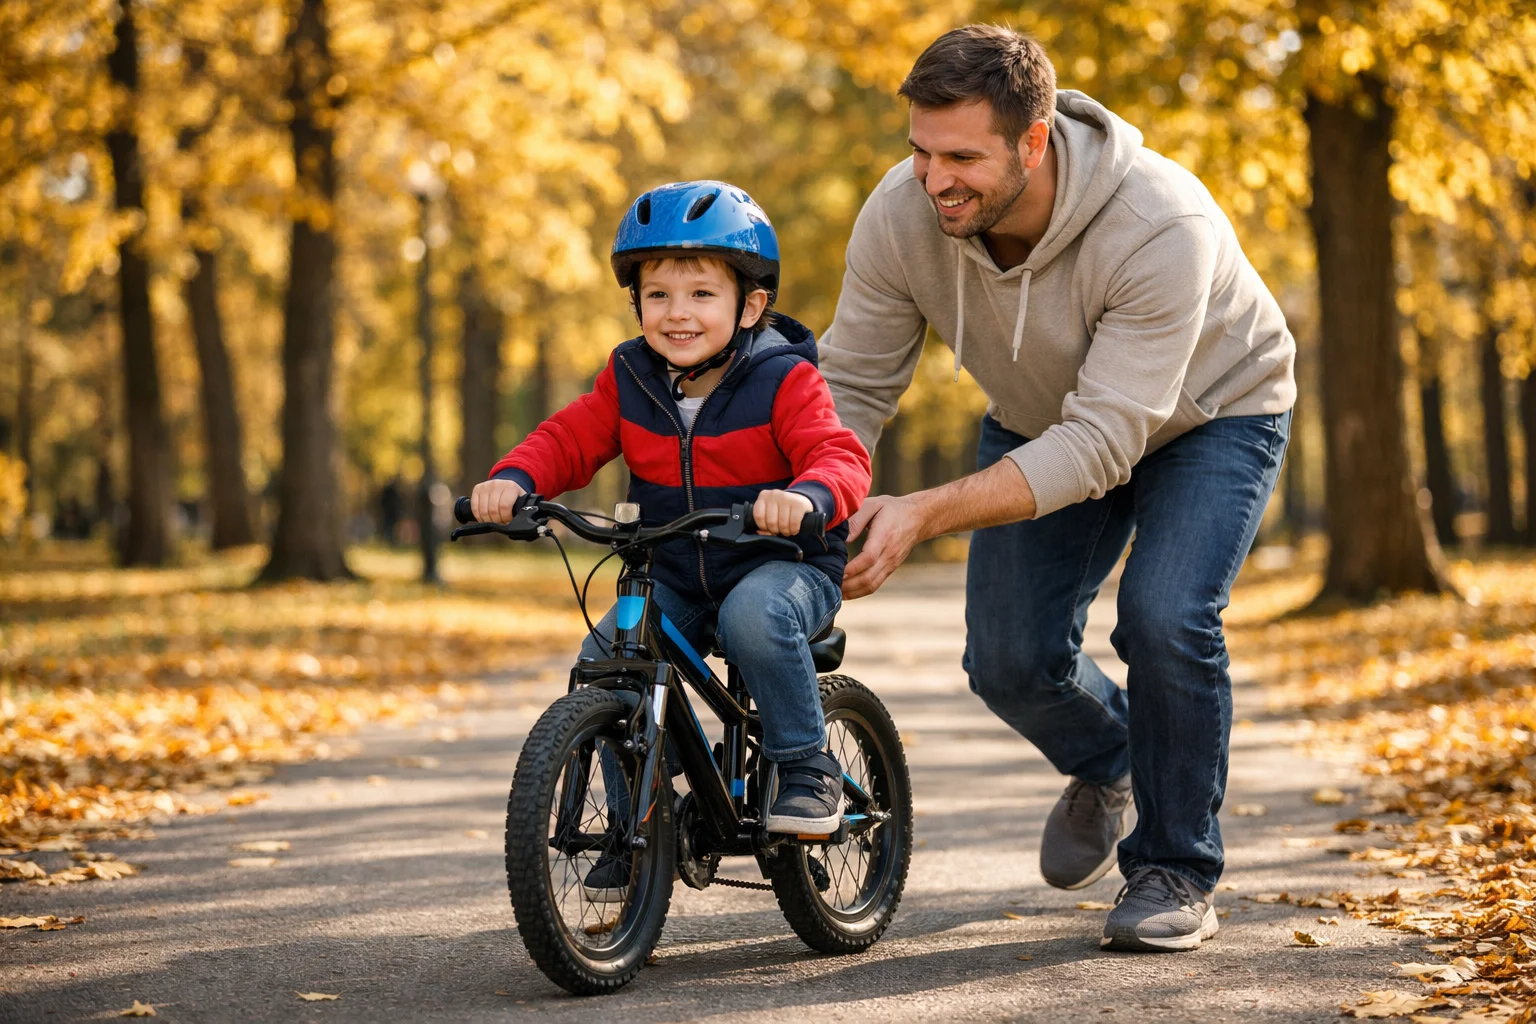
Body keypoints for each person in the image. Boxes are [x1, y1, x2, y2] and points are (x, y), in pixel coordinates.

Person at [819, 25, 1296, 953]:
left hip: (1211, 416)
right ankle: (1114, 755)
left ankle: (1174, 867)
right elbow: (854, 384)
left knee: (1165, 617)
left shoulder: (1162, 223)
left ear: (1033, 143)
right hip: (1044, 417)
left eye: (962, 156)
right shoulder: (902, 210)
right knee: (1005, 659)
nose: (933, 178)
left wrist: (921, 511)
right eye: (920, 151)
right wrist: (819, 489)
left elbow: (1106, 441)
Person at [471, 182, 872, 868]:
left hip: (782, 565)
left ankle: (808, 768)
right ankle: (637, 824)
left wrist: (807, 496)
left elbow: (838, 455)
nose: (677, 314)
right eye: (658, 295)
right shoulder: (630, 376)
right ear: (636, 304)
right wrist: (514, 481)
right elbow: (569, 439)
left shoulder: (784, 380)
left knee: (753, 615)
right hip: (678, 568)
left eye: (701, 295)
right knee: (604, 658)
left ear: (751, 306)